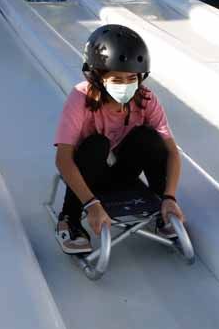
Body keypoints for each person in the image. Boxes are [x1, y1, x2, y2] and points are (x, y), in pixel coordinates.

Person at [53, 24, 186, 255]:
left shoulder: (145, 99)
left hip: (123, 173)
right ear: (97, 75)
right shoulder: (80, 97)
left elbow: (172, 151)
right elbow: (63, 159)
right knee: (97, 144)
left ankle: (162, 211)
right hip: (88, 173)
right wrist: (92, 204)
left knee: (148, 137)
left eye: (131, 78)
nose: (125, 85)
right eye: (117, 79)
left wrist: (170, 196)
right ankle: (69, 218)